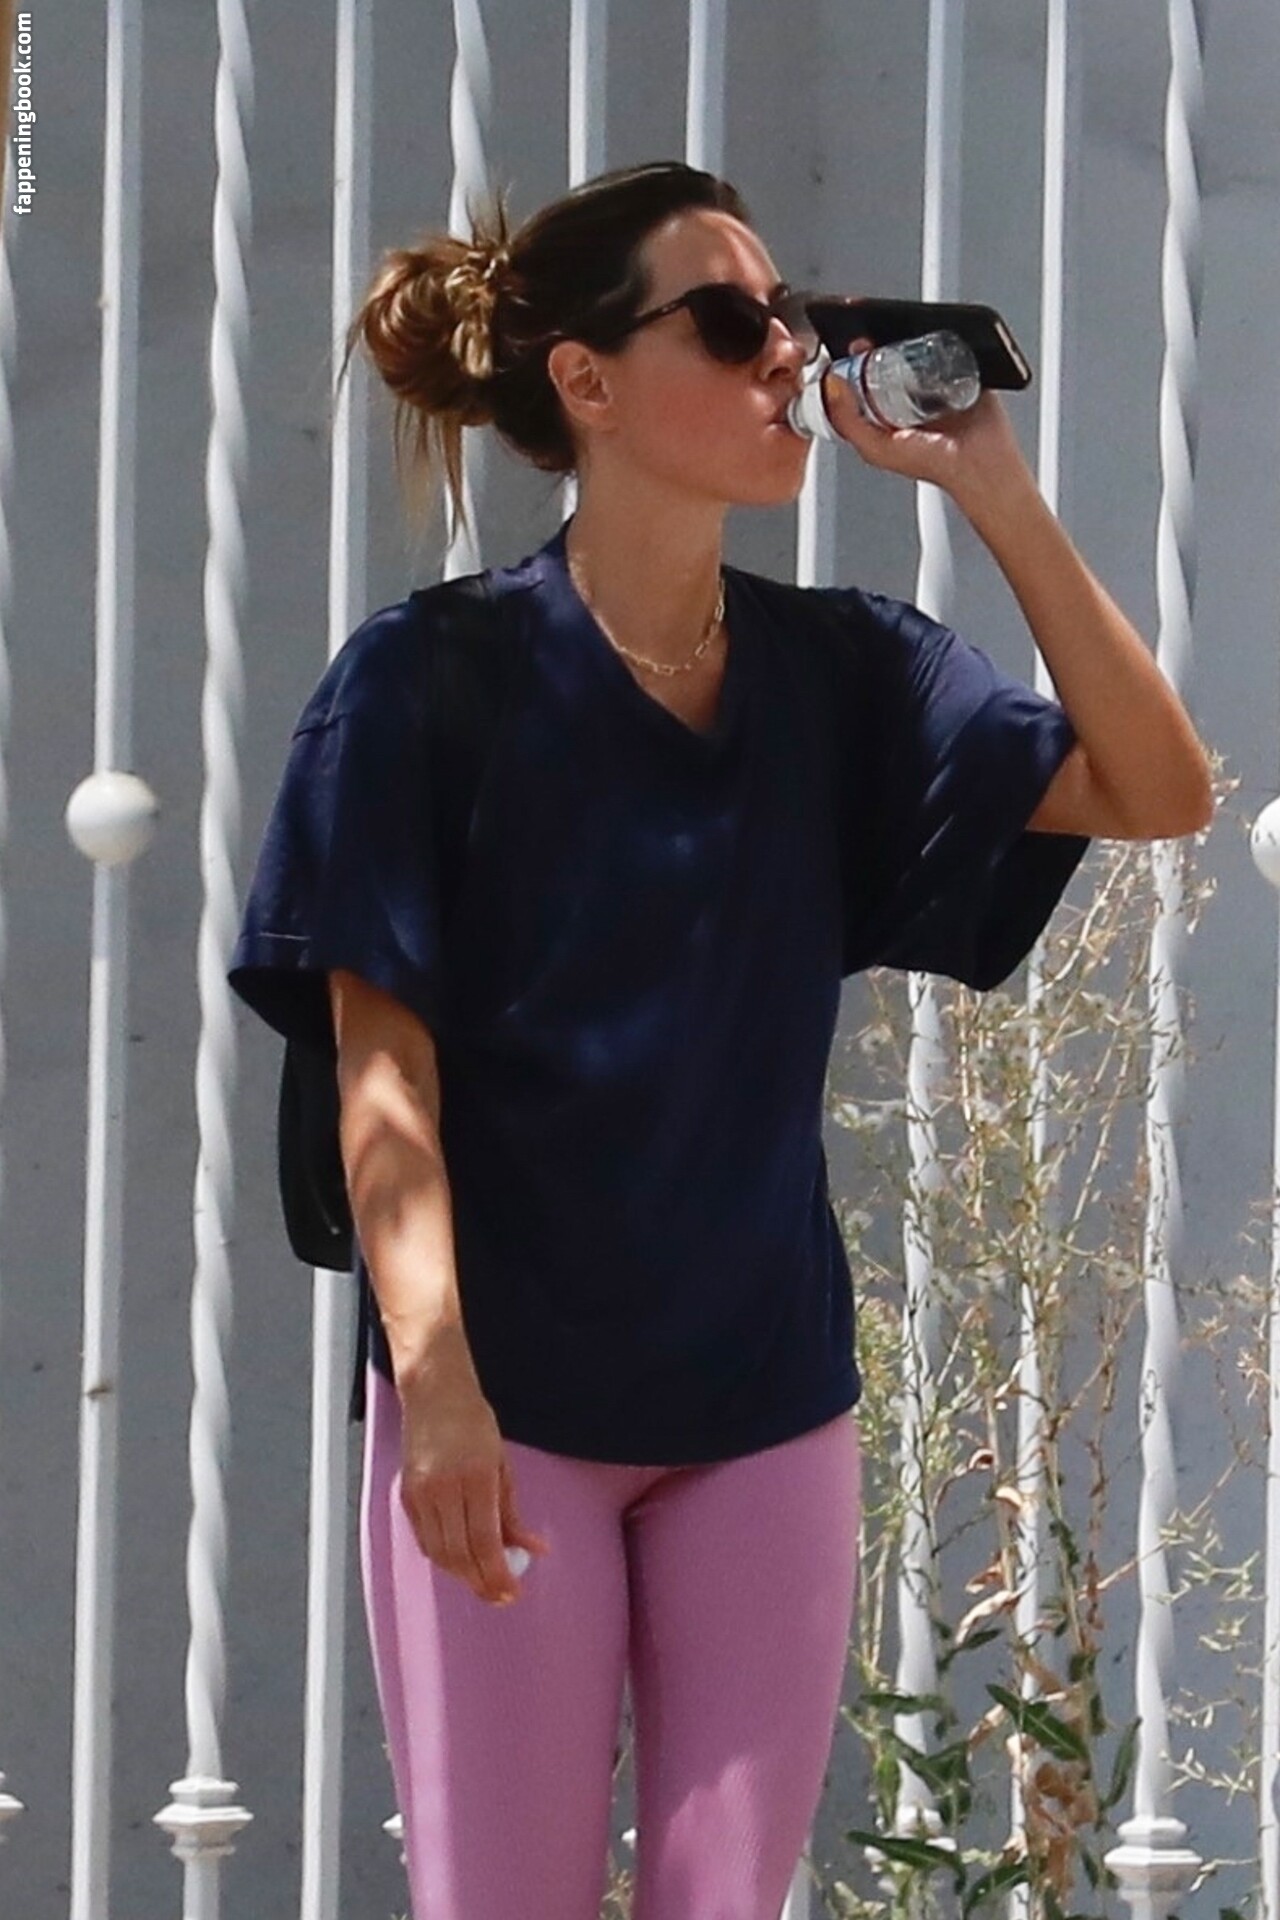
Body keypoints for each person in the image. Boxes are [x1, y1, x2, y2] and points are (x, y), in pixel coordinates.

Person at [228, 160, 1212, 1920]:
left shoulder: (850, 673)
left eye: (792, 320)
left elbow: (1158, 787)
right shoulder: (426, 680)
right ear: (586, 382)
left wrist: (987, 481)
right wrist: (435, 1383)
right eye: (732, 321)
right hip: (504, 1410)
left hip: (765, 1408)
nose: (787, 359)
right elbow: (385, 1075)